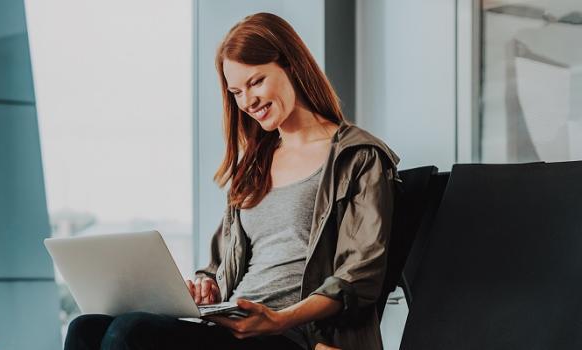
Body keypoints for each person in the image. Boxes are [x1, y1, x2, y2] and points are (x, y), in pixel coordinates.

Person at [64, 12, 399, 350]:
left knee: (129, 333)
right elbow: (218, 265)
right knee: (85, 328)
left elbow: (359, 276)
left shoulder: (359, 157)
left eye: (256, 82)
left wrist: (278, 320)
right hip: (232, 326)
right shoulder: (255, 164)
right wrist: (206, 284)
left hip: (294, 335)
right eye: (237, 91)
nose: (248, 102)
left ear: (292, 65)